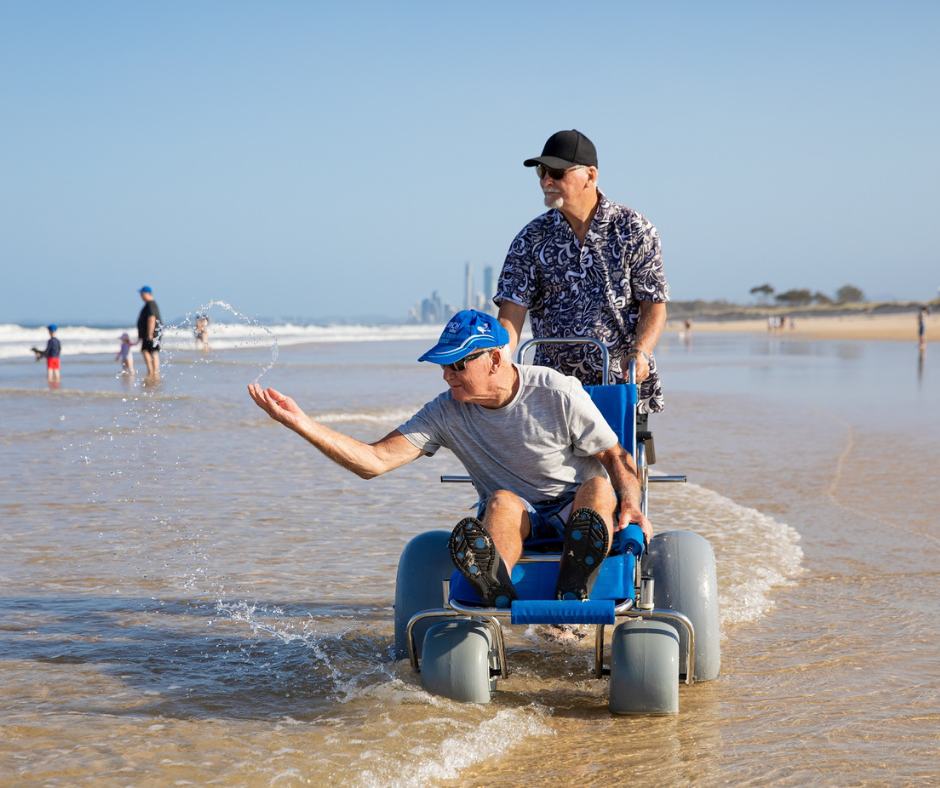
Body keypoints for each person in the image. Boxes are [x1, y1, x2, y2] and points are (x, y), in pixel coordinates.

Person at [248, 310, 650, 608]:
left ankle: (572, 587)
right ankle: (496, 589)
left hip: (575, 509)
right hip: (519, 514)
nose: (447, 376)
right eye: (443, 365)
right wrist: (302, 424)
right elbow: (373, 461)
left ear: (495, 360)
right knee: (499, 501)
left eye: (458, 365)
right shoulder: (445, 412)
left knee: (598, 486)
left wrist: (631, 504)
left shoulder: (556, 392)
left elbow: (616, 457)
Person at [495, 129, 668, 429]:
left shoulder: (634, 228)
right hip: (553, 388)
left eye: (557, 172)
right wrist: (495, 361)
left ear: (590, 175)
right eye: (541, 171)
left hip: (618, 384)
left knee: (622, 472)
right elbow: (511, 316)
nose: (545, 181)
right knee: (554, 475)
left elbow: (654, 306)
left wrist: (640, 353)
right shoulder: (530, 238)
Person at [137, 286, 162, 377]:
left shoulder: (151, 304)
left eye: (142, 294)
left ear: (148, 294)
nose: (141, 296)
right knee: (148, 351)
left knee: (151, 351)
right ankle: (152, 371)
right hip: (148, 333)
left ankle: (153, 372)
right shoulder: (149, 304)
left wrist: (150, 333)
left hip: (152, 333)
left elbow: (152, 318)